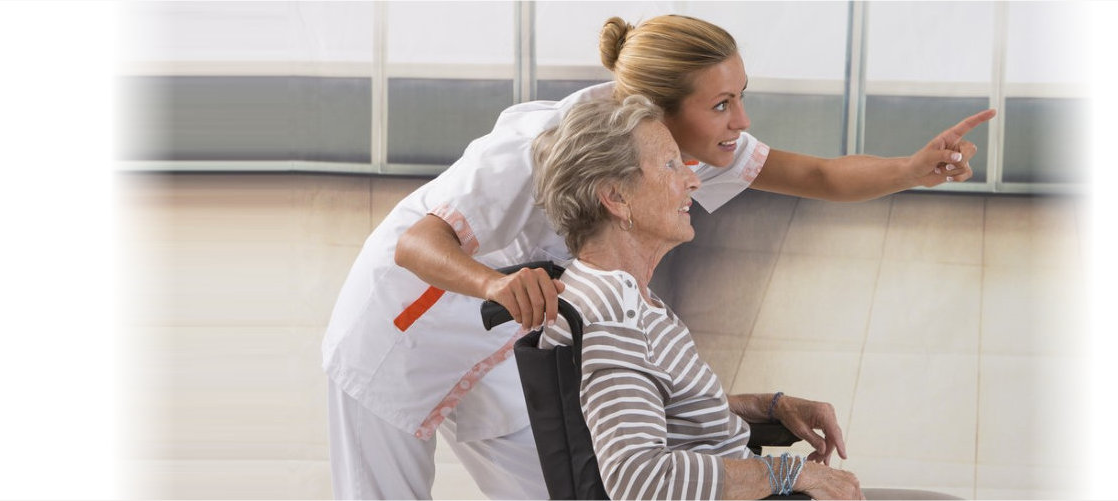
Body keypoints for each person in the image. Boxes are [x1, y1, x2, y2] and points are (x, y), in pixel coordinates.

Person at [323, 14, 992, 499]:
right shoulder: (536, 148)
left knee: (563, 484)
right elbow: (414, 243)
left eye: (740, 96)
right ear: (657, 118)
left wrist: (913, 167)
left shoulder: (681, 152)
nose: (741, 121)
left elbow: (815, 177)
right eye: (722, 104)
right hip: (398, 335)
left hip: (508, 341)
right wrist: (494, 282)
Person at [533, 93, 864, 500]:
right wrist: (788, 472)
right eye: (670, 165)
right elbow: (641, 478)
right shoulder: (612, 319)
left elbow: (662, 407)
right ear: (616, 197)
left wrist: (768, 406)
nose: (693, 180)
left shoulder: (618, 295)